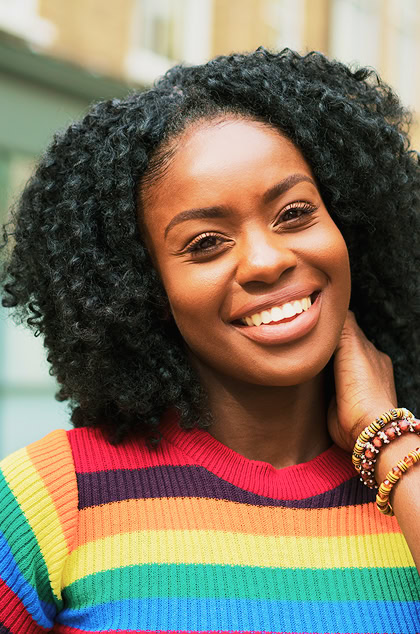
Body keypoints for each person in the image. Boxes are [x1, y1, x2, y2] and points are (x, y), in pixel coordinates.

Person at [0, 48, 419, 633]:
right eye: (205, 243)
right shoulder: (51, 496)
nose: (268, 261)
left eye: (295, 212)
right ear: (144, 287)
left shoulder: (411, 483)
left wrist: (390, 444)